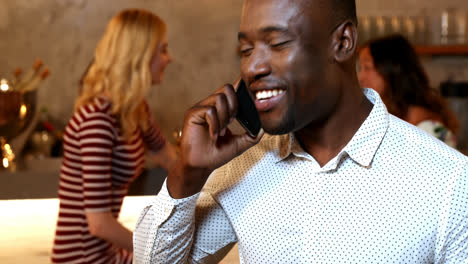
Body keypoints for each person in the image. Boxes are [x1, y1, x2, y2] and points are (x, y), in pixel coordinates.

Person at [133, 0, 468, 263]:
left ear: (343, 42)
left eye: (277, 43)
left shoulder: (448, 183)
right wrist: (186, 174)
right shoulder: (247, 166)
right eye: (246, 49)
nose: (252, 67)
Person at [51, 9, 177, 264]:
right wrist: (156, 250)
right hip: (82, 260)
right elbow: (99, 224)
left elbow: (169, 158)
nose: (169, 58)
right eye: (162, 49)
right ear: (140, 54)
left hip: (107, 255)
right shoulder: (97, 119)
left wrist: (215, 179)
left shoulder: (136, 110)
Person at [358, 34, 459, 147]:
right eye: (360, 68)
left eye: (367, 67)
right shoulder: (385, 118)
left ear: (391, 70)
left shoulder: (429, 130)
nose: (360, 77)